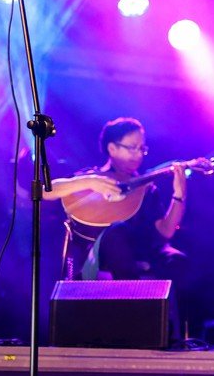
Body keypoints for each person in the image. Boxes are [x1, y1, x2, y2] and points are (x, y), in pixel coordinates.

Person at [43, 117, 188, 286]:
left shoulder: (146, 188)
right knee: (117, 231)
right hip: (98, 251)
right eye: (132, 148)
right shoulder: (92, 177)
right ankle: (132, 296)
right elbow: (45, 191)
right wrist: (89, 181)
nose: (138, 154)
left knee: (178, 261)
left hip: (142, 250)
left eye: (142, 148)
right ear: (112, 148)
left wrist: (179, 194)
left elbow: (166, 231)